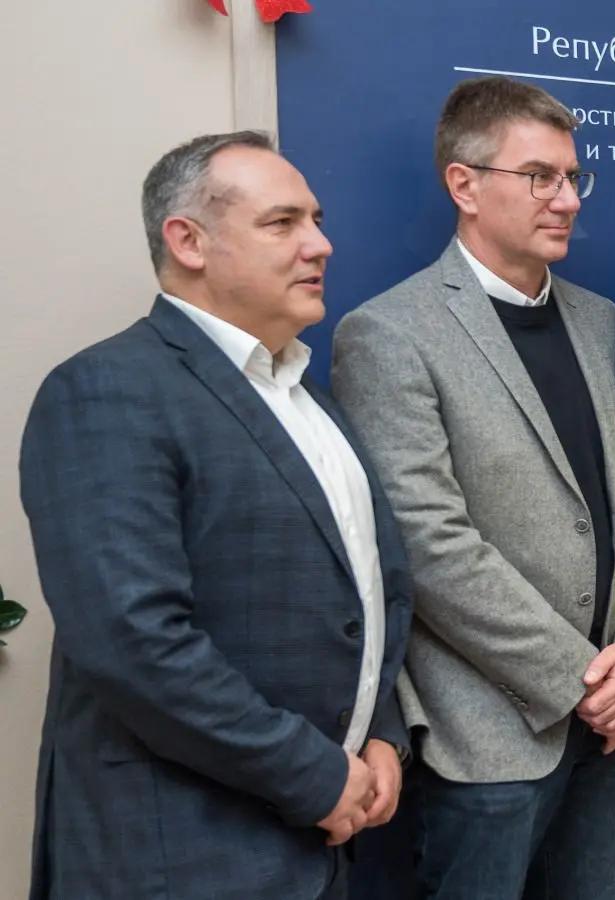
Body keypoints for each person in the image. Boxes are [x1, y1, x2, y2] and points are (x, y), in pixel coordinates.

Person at [18, 131, 412, 900]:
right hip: (178, 856)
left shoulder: (309, 398)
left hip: (321, 848)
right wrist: (313, 774)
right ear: (188, 241)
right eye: (282, 223)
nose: (320, 244)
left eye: (316, 220)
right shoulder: (105, 390)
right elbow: (133, 642)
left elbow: (360, 600)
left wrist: (381, 735)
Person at [330, 76, 615, 900]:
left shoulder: (602, 321)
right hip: (487, 736)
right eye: (540, 177)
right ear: (465, 184)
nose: (567, 200)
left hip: (612, 720)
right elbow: (429, 545)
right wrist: (582, 679)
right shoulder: (389, 334)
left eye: (573, 177)